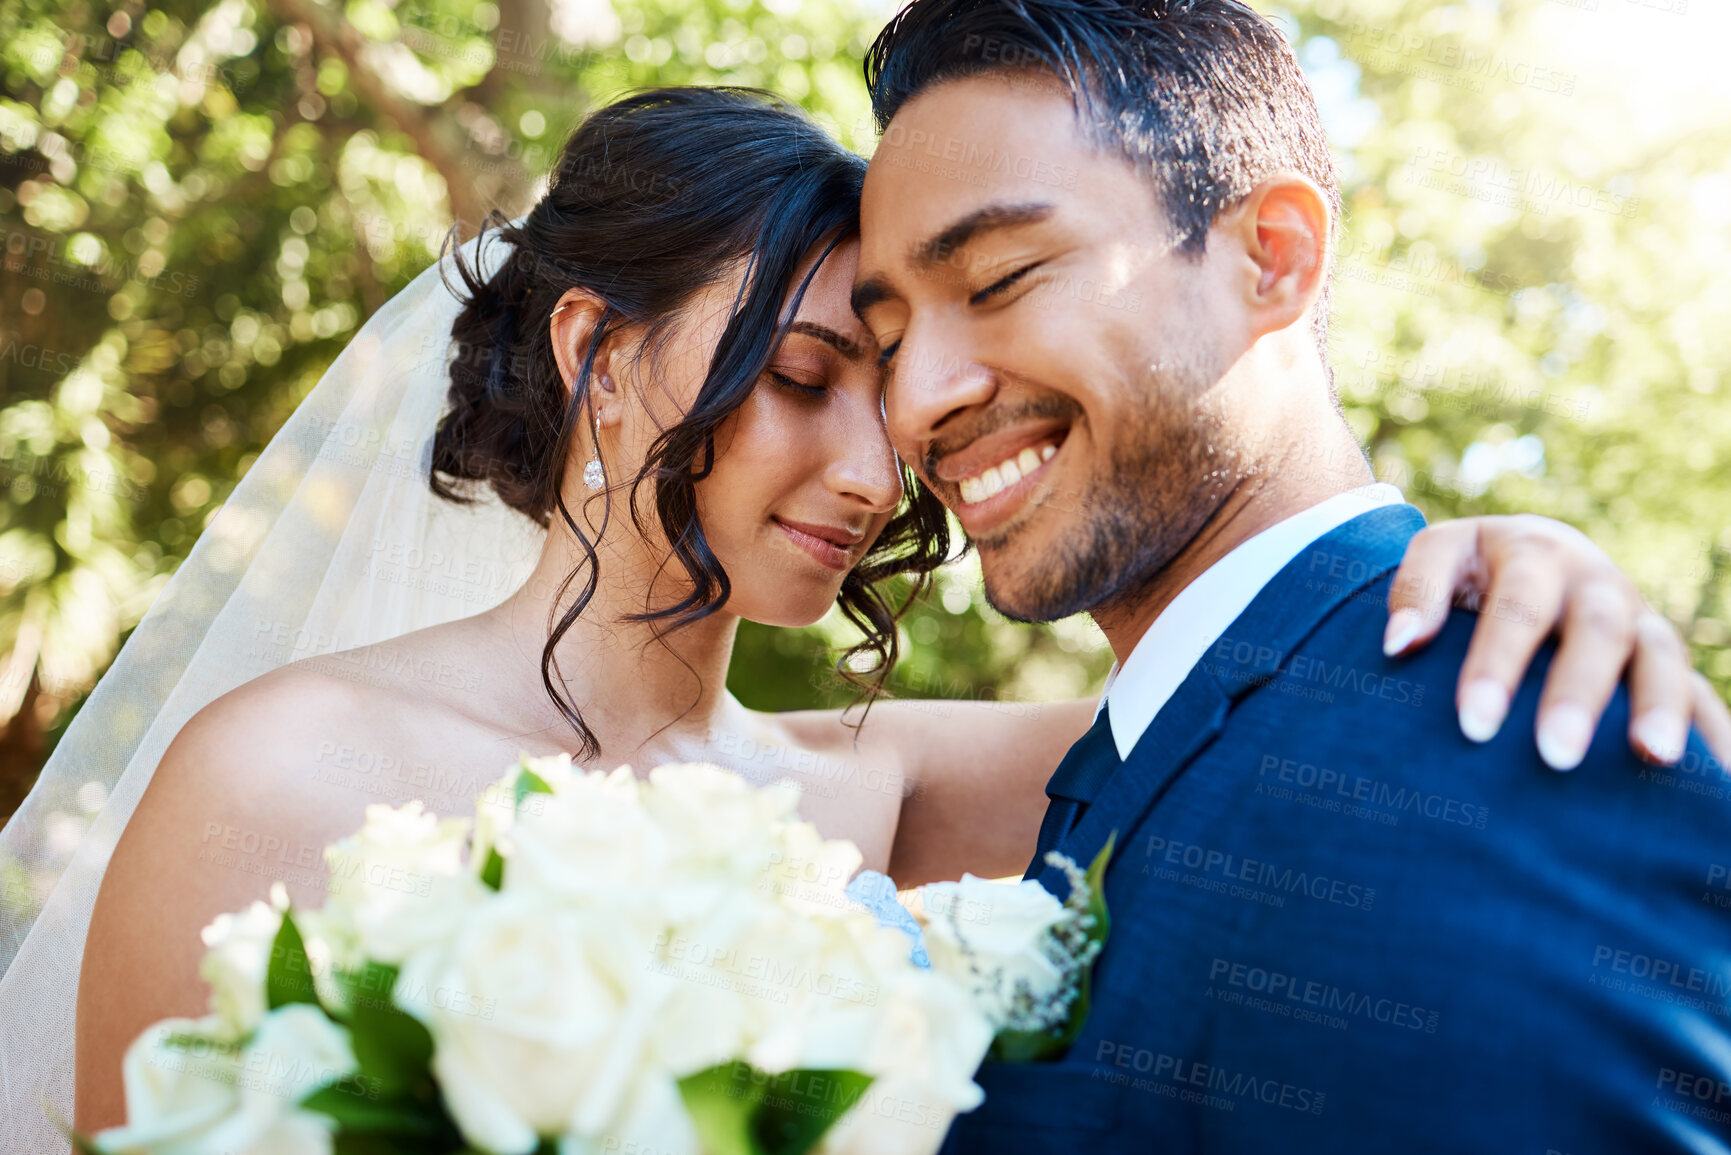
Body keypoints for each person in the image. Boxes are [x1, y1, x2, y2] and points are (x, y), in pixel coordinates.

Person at [24, 85, 1713, 1145]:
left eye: (885, 383)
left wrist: (1506, 544)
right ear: (598, 357)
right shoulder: (282, 772)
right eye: (808, 378)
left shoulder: (896, 784)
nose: (878, 453)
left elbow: (1271, 690)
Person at [852, 1, 1731, 1151]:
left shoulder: (1511, 735)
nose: (915, 401)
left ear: (1273, 257)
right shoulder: (1130, 754)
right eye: (884, 340)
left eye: (1004, 276)